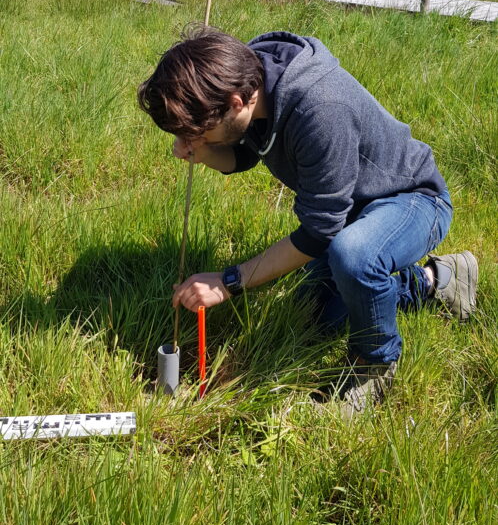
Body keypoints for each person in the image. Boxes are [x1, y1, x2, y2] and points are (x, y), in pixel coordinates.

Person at [138, 26, 478, 417]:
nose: (196, 138)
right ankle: (441, 281)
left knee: (354, 257)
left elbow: (319, 232)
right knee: (317, 315)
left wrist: (230, 281)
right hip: (352, 211)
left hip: (413, 200)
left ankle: (375, 364)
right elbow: (244, 154)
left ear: (235, 103)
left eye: (200, 131)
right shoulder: (251, 79)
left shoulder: (320, 108)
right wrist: (201, 150)